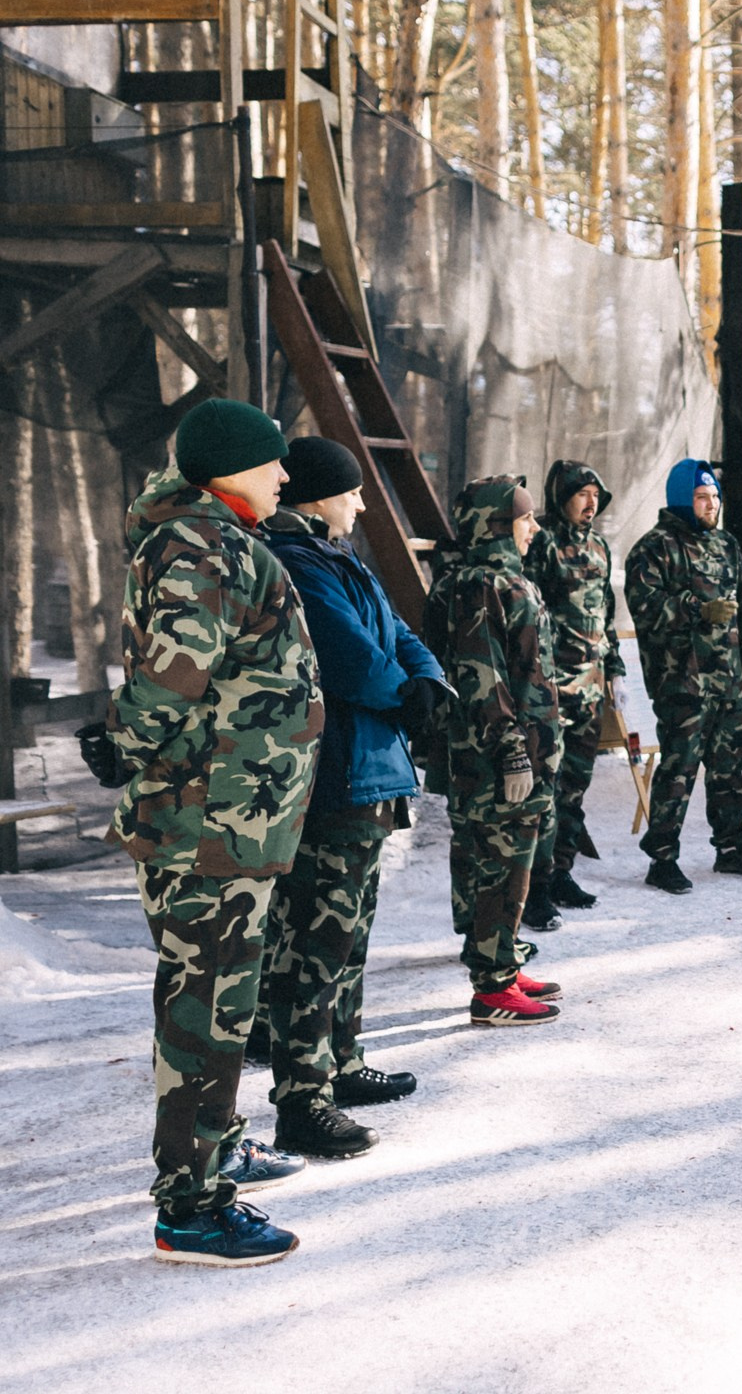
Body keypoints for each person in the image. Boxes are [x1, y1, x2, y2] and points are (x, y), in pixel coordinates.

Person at [80, 398, 321, 1265]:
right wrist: (124, 741)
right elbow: (174, 680)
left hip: (227, 821)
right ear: (226, 466)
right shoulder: (200, 544)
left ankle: (215, 1147)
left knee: (218, 1002)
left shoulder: (214, 537)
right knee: (205, 1011)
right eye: (271, 461)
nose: (285, 475)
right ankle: (191, 1205)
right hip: (205, 827)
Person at [257, 437, 446, 1156]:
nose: (363, 503)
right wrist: (406, 694)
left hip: (368, 772)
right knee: (314, 942)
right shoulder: (300, 562)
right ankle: (301, 1100)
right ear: (318, 494)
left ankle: (340, 1064)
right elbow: (349, 657)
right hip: (335, 775)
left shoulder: (340, 557)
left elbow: (400, 632)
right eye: (353, 490)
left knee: (349, 935)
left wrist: (424, 677)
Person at [423, 476, 564, 1025]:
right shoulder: (482, 584)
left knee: (497, 859)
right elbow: (483, 678)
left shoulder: (490, 581)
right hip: (497, 754)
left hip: (507, 748)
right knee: (499, 863)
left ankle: (500, 957)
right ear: (497, 526)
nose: (534, 528)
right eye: (525, 519)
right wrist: (511, 751)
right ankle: (492, 987)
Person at [625, 458, 742, 892]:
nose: (711, 505)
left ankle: (731, 848)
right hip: (681, 682)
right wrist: (696, 609)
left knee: (729, 770)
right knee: (679, 771)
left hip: (726, 681)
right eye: (701, 497)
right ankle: (662, 858)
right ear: (681, 500)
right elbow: (645, 610)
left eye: (714, 497)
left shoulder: (727, 546)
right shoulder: (653, 548)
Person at [523, 458, 626, 921]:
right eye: (582, 493)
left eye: (595, 495)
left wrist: (616, 669)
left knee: (573, 790)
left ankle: (562, 872)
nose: (591, 502)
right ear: (561, 497)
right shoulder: (541, 544)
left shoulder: (600, 548)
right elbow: (528, 614)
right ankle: (535, 887)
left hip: (589, 688)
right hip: (551, 689)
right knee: (542, 792)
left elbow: (606, 615)